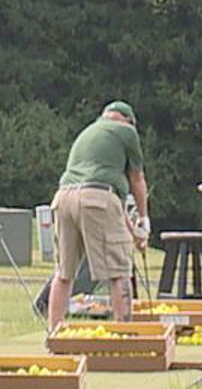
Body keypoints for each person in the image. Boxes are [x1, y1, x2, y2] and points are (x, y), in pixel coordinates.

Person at [47, 101, 150, 328]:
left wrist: (135, 234)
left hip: (63, 198)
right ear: (127, 120)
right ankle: (125, 336)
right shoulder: (127, 132)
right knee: (119, 271)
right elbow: (136, 179)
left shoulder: (88, 132)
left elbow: (116, 205)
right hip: (98, 199)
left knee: (64, 273)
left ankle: (54, 336)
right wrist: (144, 219)